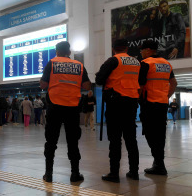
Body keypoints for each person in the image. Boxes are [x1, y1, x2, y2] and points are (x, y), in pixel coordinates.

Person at [40, 41, 91, 183]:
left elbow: (43, 84)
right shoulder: (79, 65)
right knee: (73, 141)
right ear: (69, 52)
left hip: (55, 107)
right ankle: (75, 174)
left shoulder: (52, 63)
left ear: (56, 51)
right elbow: (86, 85)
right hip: (72, 108)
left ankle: (48, 174)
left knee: (51, 141)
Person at [95, 39, 141, 183]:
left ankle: (114, 173)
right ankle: (134, 172)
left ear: (113, 48)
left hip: (116, 102)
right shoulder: (137, 62)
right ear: (127, 48)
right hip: (132, 102)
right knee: (131, 139)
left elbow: (99, 80)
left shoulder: (113, 61)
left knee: (115, 139)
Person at [139, 40, 177, 175]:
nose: (141, 53)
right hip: (162, 104)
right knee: (160, 134)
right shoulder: (167, 64)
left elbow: (141, 86)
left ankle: (159, 163)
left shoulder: (145, 64)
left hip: (149, 104)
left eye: (142, 50)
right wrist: (166, 96)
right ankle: (159, 163)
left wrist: (137, 99)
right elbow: (174, 83)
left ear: (148, 50)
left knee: (150, 134)